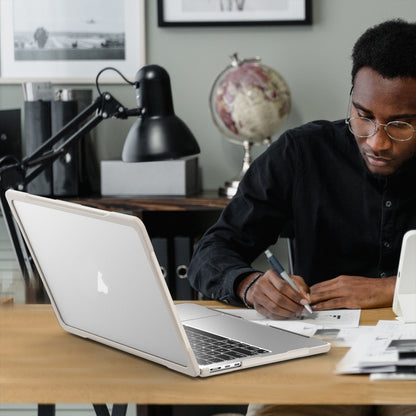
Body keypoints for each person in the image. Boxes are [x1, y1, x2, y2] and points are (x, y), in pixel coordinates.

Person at [188, 19, 416, 416]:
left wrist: (394, 289)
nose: (377, 141)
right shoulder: (301, 153)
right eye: (363, 116)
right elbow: (213, 249)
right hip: (319, 350)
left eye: (400, 125)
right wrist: (250, 284)